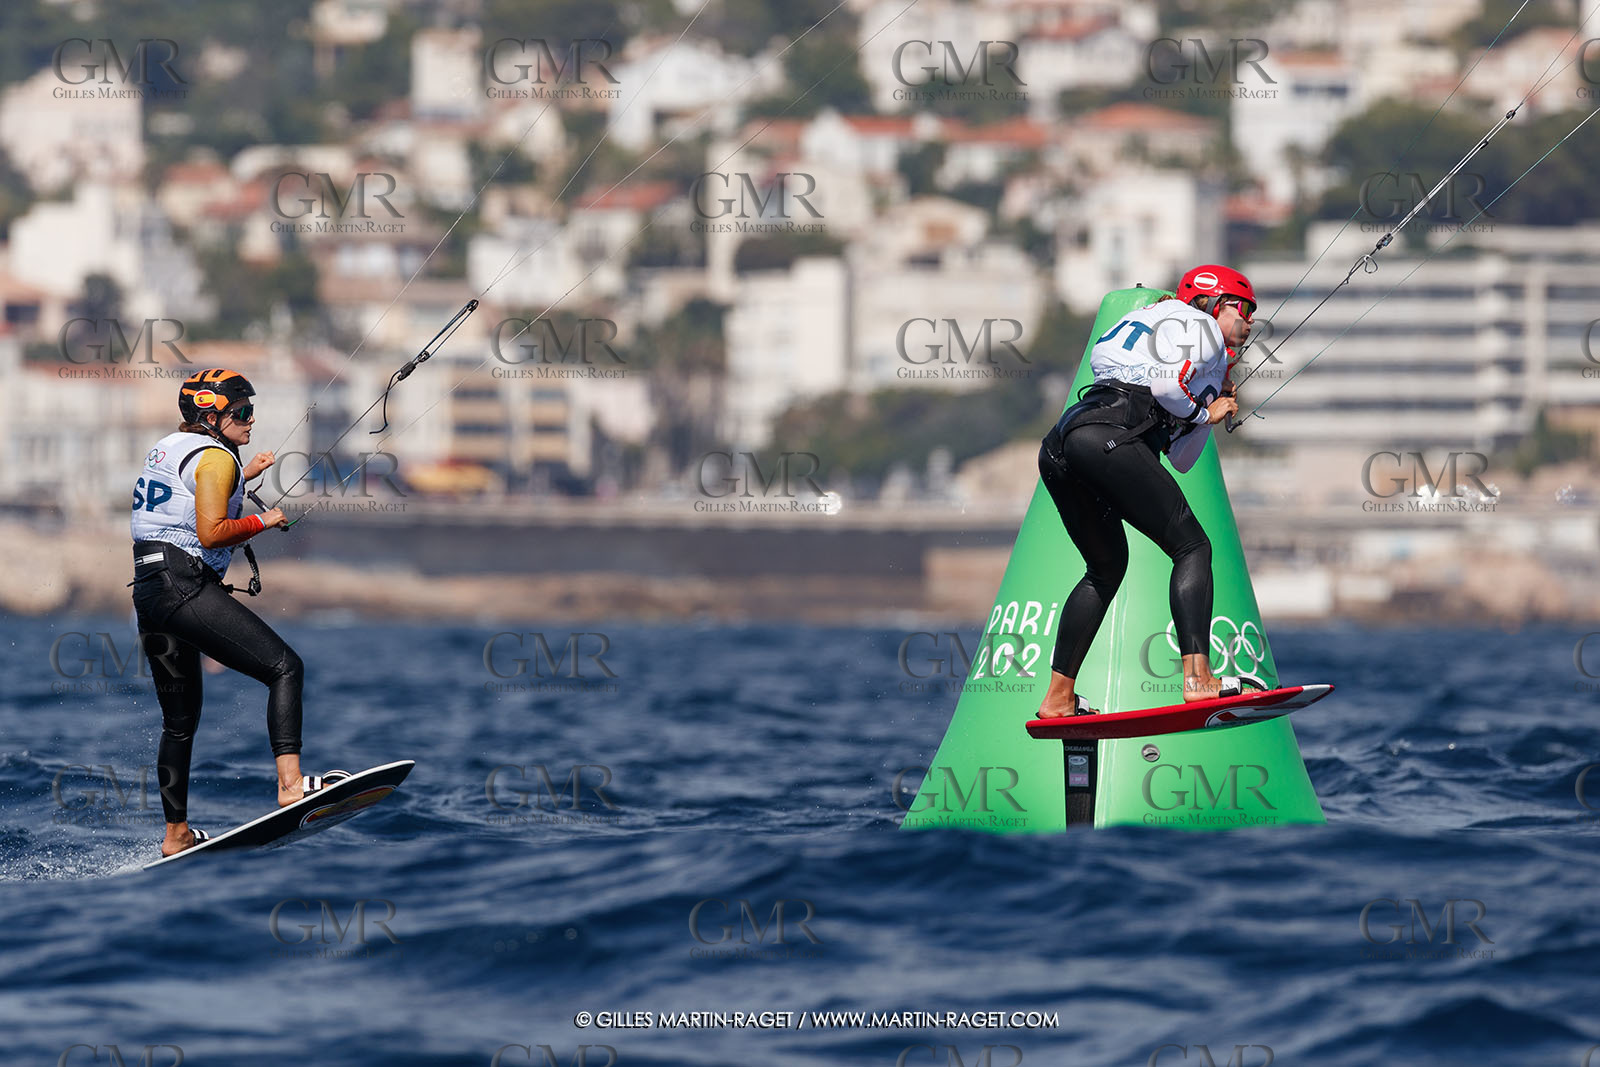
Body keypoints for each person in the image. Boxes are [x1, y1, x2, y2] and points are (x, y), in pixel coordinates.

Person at [1034, 265, 1263, 719]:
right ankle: (1198, 680)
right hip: (1109, 438)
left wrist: (1208, 400)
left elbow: (1180, 457)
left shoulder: (1159, 324)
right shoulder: (1200, 326)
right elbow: (1165, 386)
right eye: (1244, 309)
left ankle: (1058, 698)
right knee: (1194, 547)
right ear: (1215, 303)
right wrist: (1202, 411)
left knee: (1106, 568)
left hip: (1063, 444)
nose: (1251, 322)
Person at [131, 368, 340, 855]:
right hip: (183, 586)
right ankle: (291, 786)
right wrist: (262, 520)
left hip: (149, 592)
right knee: (285, 668)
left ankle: (176, 834)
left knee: (178, 722)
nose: (250, 421)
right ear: (212, 416)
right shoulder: (216, 459)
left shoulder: (170, 448)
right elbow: (211, 532)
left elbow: (188, 497)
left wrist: (245, 476)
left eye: (251, 411)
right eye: (242, 412)